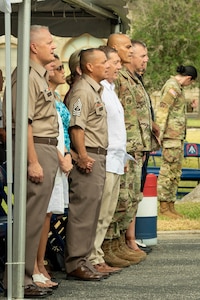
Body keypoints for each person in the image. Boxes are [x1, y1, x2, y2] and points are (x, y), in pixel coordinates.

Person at [3, 25, 59, 298]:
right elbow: (23, 122)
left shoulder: (37, 75)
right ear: (34, 47)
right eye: (49, 42)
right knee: (29, 216)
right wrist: (32, 161)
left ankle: (30, 273)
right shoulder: (26, 76)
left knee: (36, 217)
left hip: (45, 147)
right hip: (35, 148)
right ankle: (19, 278)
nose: (54, 46)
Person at [65, 48, 109, 281]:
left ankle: (84, 260)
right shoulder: (82, 91)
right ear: (90, 66)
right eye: (103, 62)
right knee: (83, 213)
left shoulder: (95, 89)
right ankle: (75, 263)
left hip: (98, 154)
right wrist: (81, 156)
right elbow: (76, 127)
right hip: (88, 156)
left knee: (91, 212)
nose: (108, 65)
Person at [32, 54, 73, 289]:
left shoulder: (57, 96)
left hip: (61, 157)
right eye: (58, 67)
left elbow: (63, 130)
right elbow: (46, 133)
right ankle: (36, 265)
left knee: (49, 215)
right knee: (43, 213)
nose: (62, 71)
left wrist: (67, 153)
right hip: (51, 158)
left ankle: (41, 262)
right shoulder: (43, 94)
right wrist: (61, 157)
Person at [88, 46, 128, 274]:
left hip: (115, 157)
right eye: (114, 62)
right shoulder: (97, 90)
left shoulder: (110, 89)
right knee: (99, 212)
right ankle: (92, 257)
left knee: (107, 213)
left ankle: (97, 254)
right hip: (103, 157)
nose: (117, 66)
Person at [156, 65, 198, 218]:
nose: (190, 85)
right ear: (188, 78)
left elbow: (175, 111)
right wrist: (158, 136)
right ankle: (164, 207)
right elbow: (162, 111)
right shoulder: (171, 87)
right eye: (191, 82)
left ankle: (171, 205)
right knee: (167, 172)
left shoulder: (178, 88)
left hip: (177, 137)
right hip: (170, 137)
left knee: (175, 172)